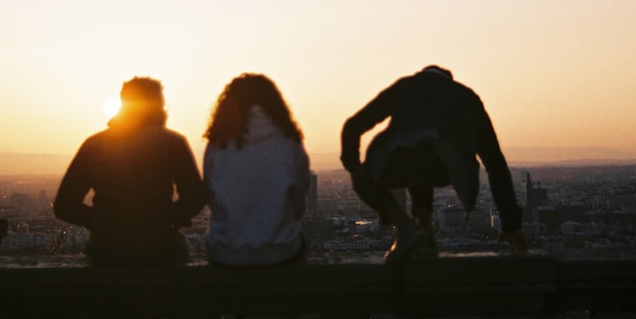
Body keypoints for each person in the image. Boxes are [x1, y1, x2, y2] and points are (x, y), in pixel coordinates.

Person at [54, 76, 207, 319]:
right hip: (158, 249)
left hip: (107, 251)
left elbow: (64, 205)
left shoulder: (95, 144)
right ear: (159, 106)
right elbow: (195, 196)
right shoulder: (171, 142)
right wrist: (169, 217)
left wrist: (99, 221)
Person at [340, 65, 529, 262]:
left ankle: (405, 227)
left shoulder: (406, 87)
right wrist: (511, 223)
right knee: (424, 163)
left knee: (409, 159)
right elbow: (494, 161)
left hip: (400, 158)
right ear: (449, 79)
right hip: (449, 165)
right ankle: (425, 232)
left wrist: (354, 167)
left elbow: (353, 126)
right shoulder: (465, 96)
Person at [202, 73, 309, 266]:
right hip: (280, 253)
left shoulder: (218, 143)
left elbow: (211, 196)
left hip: (226, 253)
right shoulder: (288, 141)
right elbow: (299, 203)